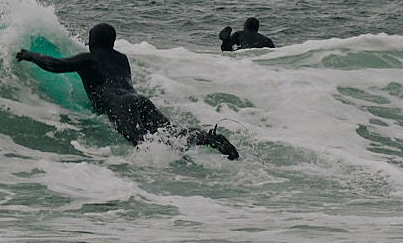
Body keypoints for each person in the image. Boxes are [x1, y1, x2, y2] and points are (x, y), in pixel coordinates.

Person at [16, 23, 240, 160]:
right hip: (139, 99)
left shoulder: (89, 58)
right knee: (170, 132)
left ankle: (175, 164)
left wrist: (30, 55)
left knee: (143, 142)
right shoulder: (122, 59)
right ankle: (207, 138)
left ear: (92, 42)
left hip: (120, 105)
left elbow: (56, 65)